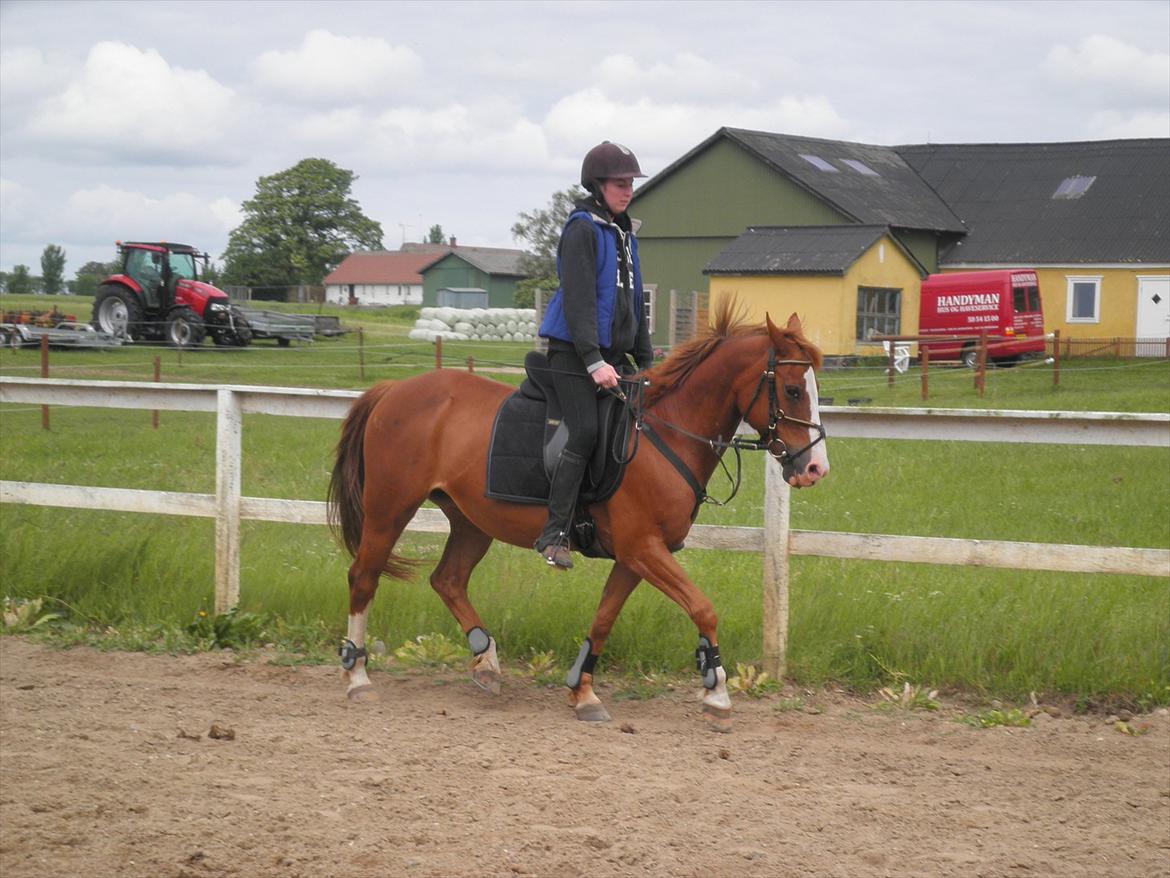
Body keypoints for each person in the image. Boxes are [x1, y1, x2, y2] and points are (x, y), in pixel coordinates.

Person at [535, 141, 654, 569]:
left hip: (614, 358)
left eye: (630, 184)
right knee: (584, 430)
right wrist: (592, 361)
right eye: (619, 184)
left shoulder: (624, 233)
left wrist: (649, 364)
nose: (627, 191)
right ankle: (555, 533)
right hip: (573, 355)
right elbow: (579, 302)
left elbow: (634, 301)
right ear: (597, 185)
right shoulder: (582, 229)